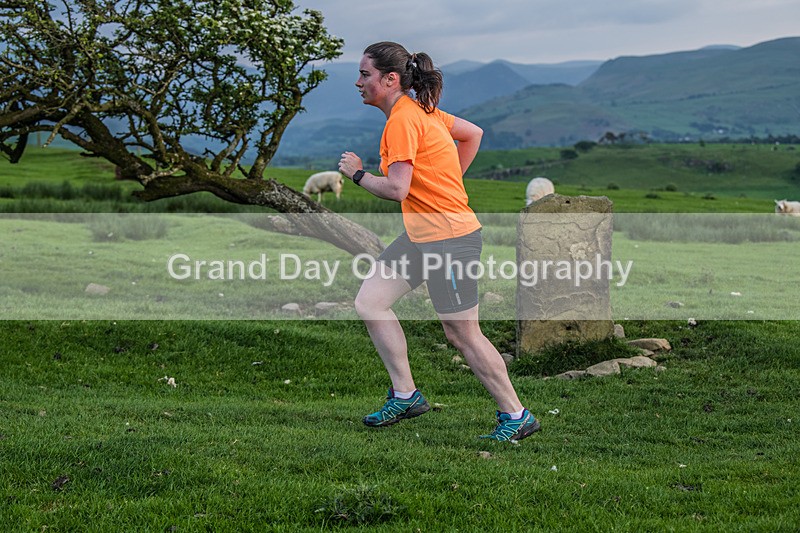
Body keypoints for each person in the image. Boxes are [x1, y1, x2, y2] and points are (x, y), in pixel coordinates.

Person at [338, 42, 539, 442]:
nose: (358, 82)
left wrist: (358, 174)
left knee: (462, 332)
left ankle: (516, 415)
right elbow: (473, 134)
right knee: (370, 301)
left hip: (450, 238)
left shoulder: (402, 121)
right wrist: (448, 180)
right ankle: (406, 394)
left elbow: (397, 189)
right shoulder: (422, 112)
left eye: (364, 74)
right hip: (422, 234)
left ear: (389, 79)